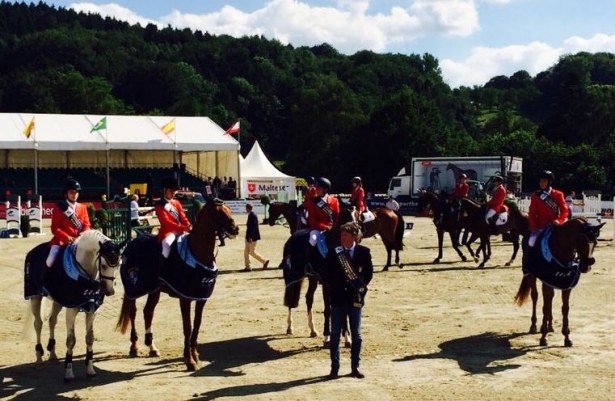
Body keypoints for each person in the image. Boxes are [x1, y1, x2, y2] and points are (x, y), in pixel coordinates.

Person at [324, 221, 373, 379]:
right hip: (338, 298)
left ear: (354, 236)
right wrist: (339, 285)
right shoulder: (333, 253)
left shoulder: (364, 252)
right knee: (335, 334)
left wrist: (359, 286)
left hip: (355, 299)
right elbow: (327, 275)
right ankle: (334, 368)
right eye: (341, 235)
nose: (342, 237)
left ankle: (355, 366)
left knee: (357, 335)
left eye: (345, 235)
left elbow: (369, 273)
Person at [46, 179, 91, 268]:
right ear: (66, 193)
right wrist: (67, 237)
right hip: (62, 241)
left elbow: (87, 225)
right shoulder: (59, 207)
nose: (74, 195)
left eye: (76, 192)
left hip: (79, 240)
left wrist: (83, 233)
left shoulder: (83, 207)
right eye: (71, 192)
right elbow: (55, 228)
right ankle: (43, 279)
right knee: (51, 259)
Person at [527, 170, 568, 247]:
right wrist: (533, 227)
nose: (541, 183)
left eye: (544, 181)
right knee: (531, 243)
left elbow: (565, 211)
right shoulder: (535, 195)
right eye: (540, 181)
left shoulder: (558, 194)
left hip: (556, 225)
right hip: (541, 226)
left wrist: (559, 220)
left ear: (549, 182)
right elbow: (532, 213)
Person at [156, 177, 191, 260]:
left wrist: (189, 225)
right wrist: (183, 227)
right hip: (168, 232)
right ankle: (161, 269)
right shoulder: (159, 205)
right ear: (165, 190)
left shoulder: (177, 202)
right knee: (166, 246)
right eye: (171, 191)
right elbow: (166, 222)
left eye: (174, 191)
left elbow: (183, 217)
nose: (173, 193)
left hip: (181, 230)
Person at [304, 177, 340, 247]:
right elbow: (312, 220)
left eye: (318, 188)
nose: (316, 190)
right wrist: (325, 227)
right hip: (317, 229)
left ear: (325, 189)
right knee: (313, 240)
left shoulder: (334, 200)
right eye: (316, 188)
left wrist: (334, 227)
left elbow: (337, 216)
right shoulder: (313, 201)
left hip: (332, 228)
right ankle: (309, 257)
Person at [243, 203, 269, 272]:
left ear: (247, 208)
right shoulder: (251, 215)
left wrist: (250, 237)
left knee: (252, 252)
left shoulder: (252, 215)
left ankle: (264, 261)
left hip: (251, 237)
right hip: (249, 236)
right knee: (246, 252)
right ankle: (247, 266)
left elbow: (253, 227)